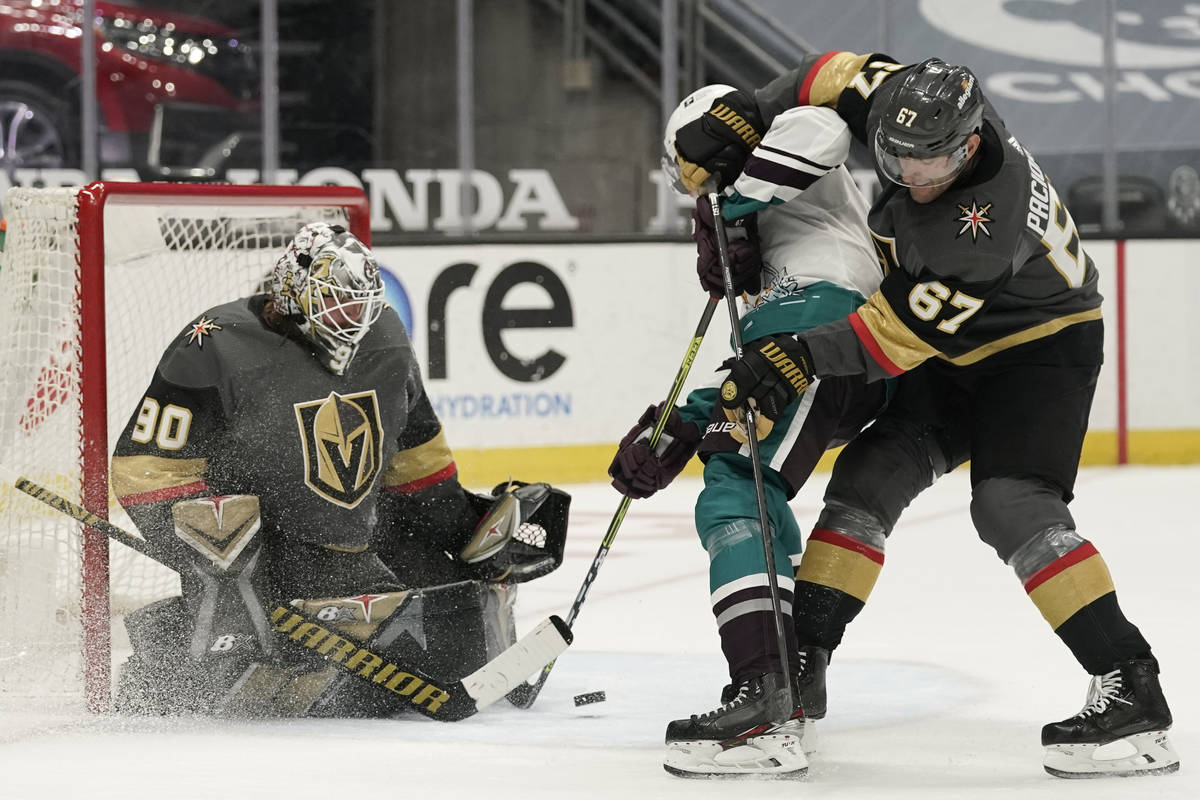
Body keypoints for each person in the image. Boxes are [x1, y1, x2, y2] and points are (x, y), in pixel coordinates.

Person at [674, 53, 1179, 778]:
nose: (910, 173)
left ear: (972, 144)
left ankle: (1132, 685)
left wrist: (789, 356)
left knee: (1011, 505)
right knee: (865, 483)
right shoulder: (907, 104)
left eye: (931, 162)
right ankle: (800, 668)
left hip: (1040, 351)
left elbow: (888, 338)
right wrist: (748, 112)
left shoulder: (978, 230)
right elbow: (829, 71)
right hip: (960, 342)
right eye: (897, 157)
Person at [109, 221, 568, 717]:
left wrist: (462, 525)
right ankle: (163, 670)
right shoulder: (214, 344)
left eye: (360, 306)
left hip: (346, 543)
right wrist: (222, 555)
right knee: (236, 662)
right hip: (261, 547)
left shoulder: (385, 335)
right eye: (337, 303)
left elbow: (416, 459)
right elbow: (146, 469)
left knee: (444, 629)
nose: (352, 319)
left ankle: (289, 654)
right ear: (292, 291)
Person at [608, 84, 890, 778]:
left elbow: (825, 131)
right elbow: (754, 373)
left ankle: (763, 703)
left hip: (822, 334)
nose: (700, 192)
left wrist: (736, 204)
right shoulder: (774, 237)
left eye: (699, 170)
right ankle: (783, 689)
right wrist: (677, 425)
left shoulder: (791, 132)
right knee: (746, 479)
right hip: (803, 343)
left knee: (738, 486)